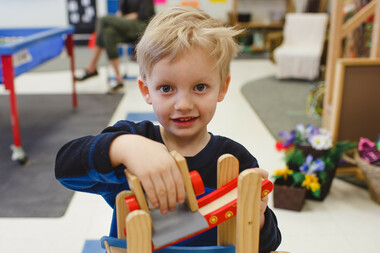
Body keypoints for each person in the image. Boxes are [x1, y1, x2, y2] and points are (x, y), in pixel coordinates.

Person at [55, 5, 281, 251]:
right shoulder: (133, 140)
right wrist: (123, 147)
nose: (183, 105)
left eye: (200, 87)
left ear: (223, 88)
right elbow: (65, 168)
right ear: (146, 91)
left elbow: (268, 244)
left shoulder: (237, 159)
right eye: (166, 88)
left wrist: (256, 215)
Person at [76, 0, 155, 93]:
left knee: (103, 19)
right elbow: (121, 13)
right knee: (108, 34)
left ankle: (92, 67)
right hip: (126, 27)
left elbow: (142, 15)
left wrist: (122, 19)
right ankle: (119, 79)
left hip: (142, 26)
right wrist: (120, 18)